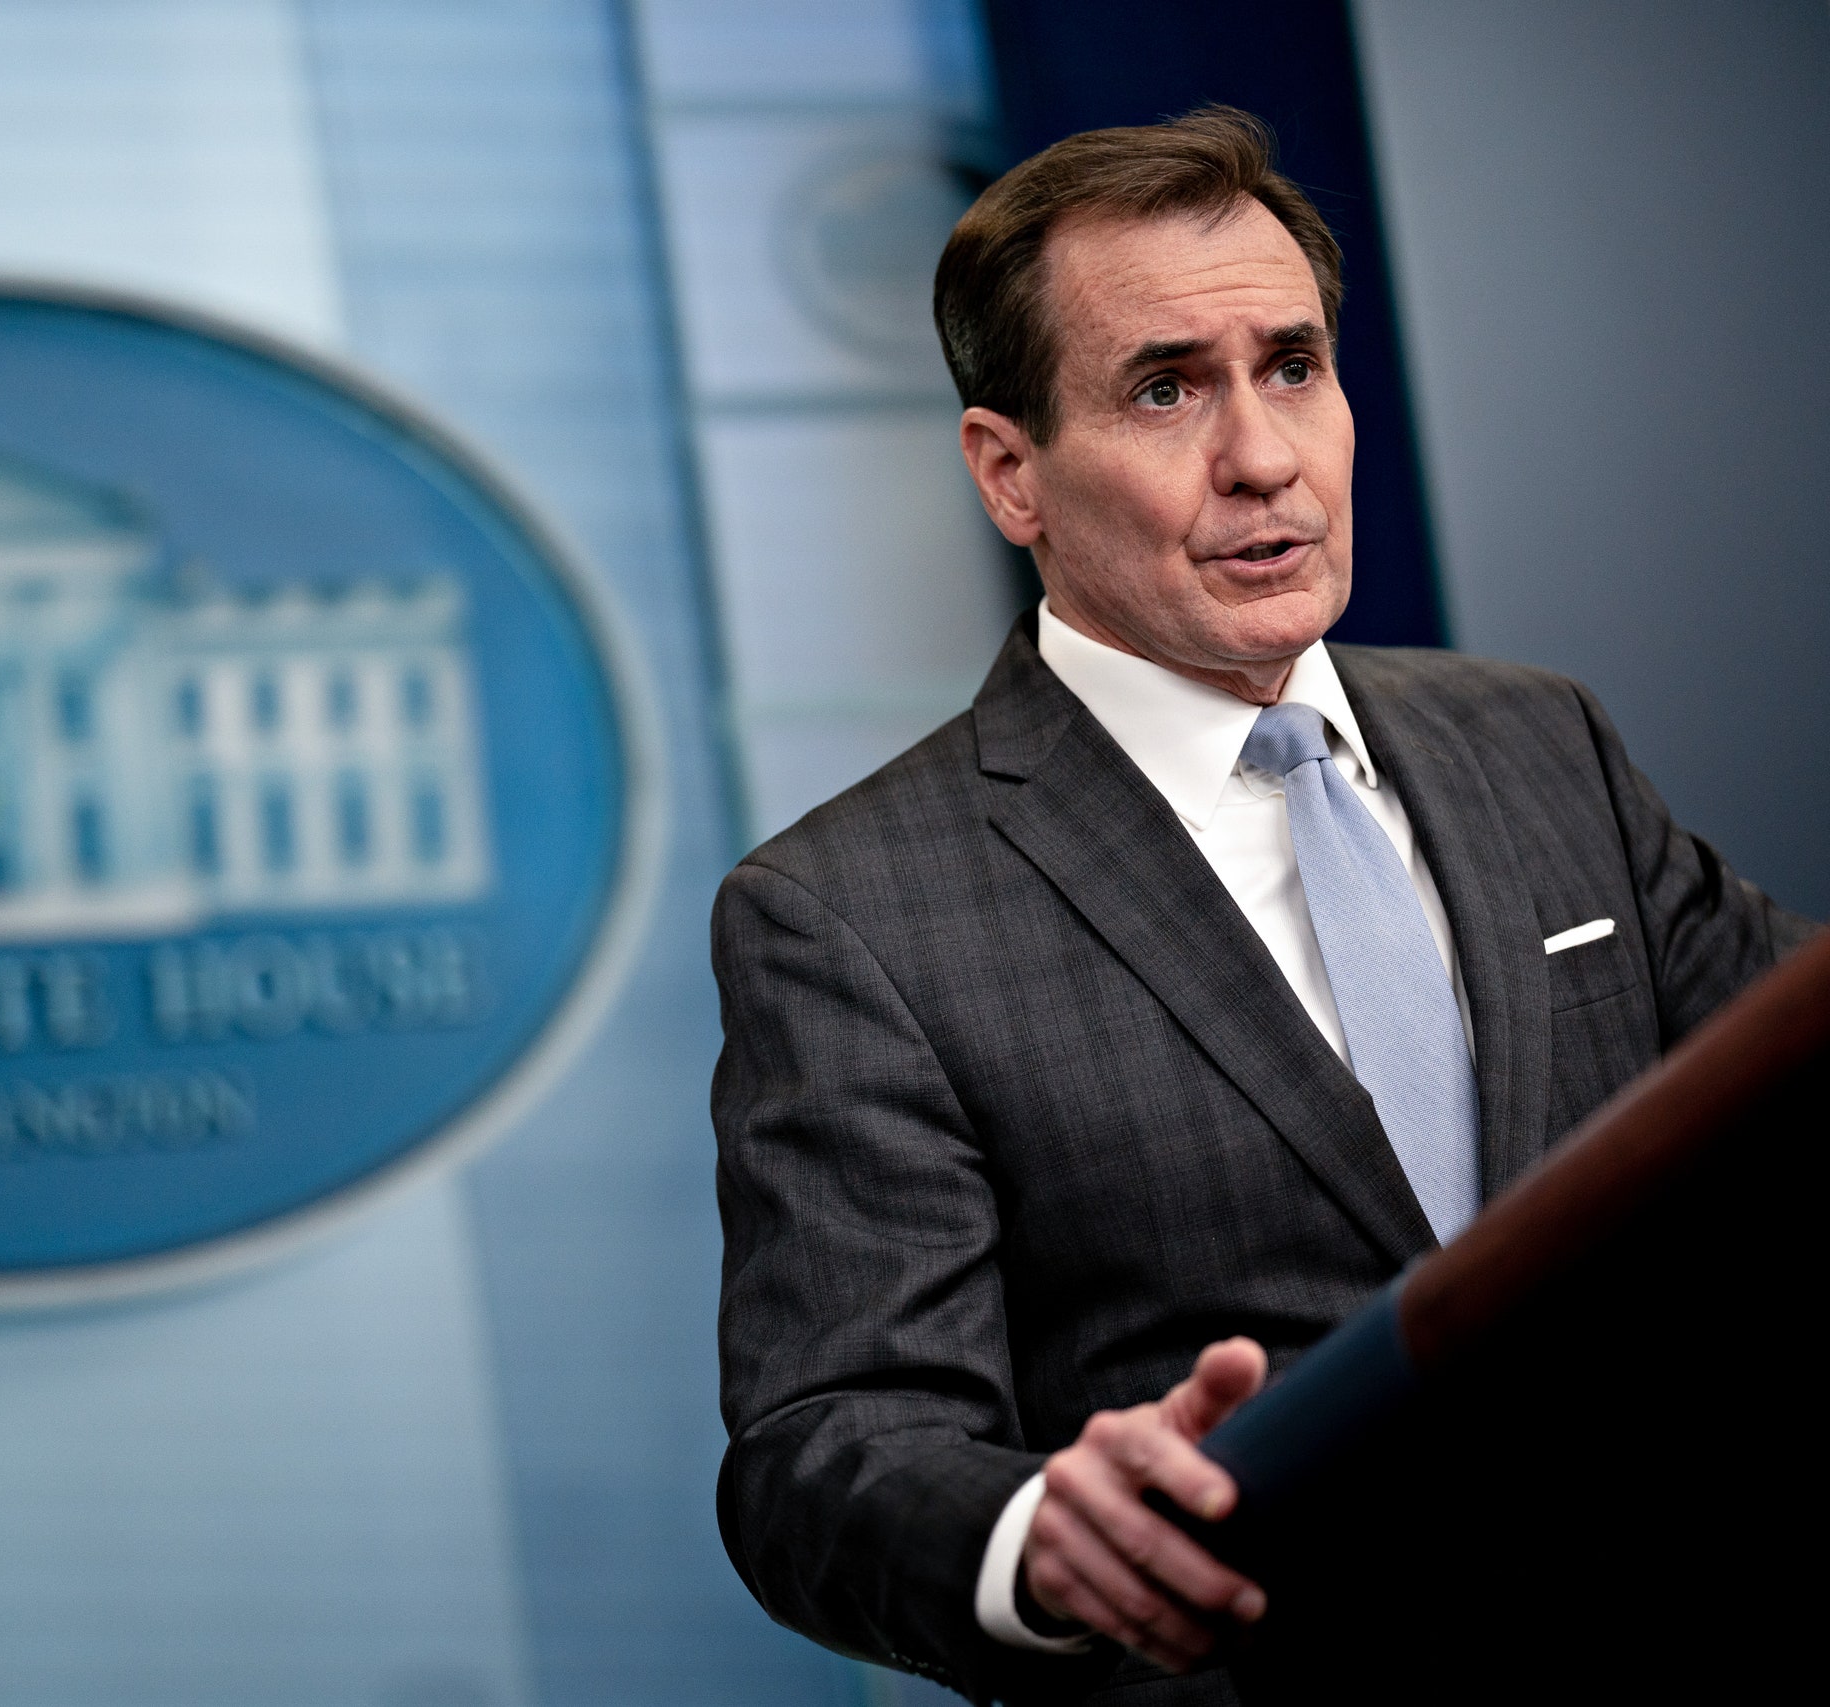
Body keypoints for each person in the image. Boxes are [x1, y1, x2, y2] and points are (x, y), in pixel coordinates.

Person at [709, 107, 1812, 1706]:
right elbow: (824, 1450)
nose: (1263, 457)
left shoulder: (1539, 740)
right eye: (1168, 390)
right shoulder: (844, 914)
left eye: (1293, 366)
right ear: (1009, 475)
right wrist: (1036, 1536)